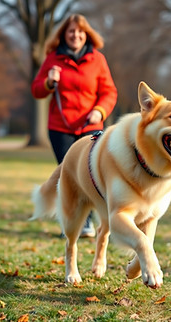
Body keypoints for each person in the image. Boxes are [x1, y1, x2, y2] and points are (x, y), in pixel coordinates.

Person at [31, 14, 117, 238]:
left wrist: (99, 110)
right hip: (61, 127)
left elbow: (109, 92)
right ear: (64, 35)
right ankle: (72, 222)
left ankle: (92, 221)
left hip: (90, 127)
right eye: (71, 31)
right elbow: (37, 90)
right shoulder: (53, 58)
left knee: (91, 174)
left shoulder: (97, 59)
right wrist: (49, 82)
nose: (75, 35)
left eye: (80, 32)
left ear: (86, 34)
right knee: (68, 175)